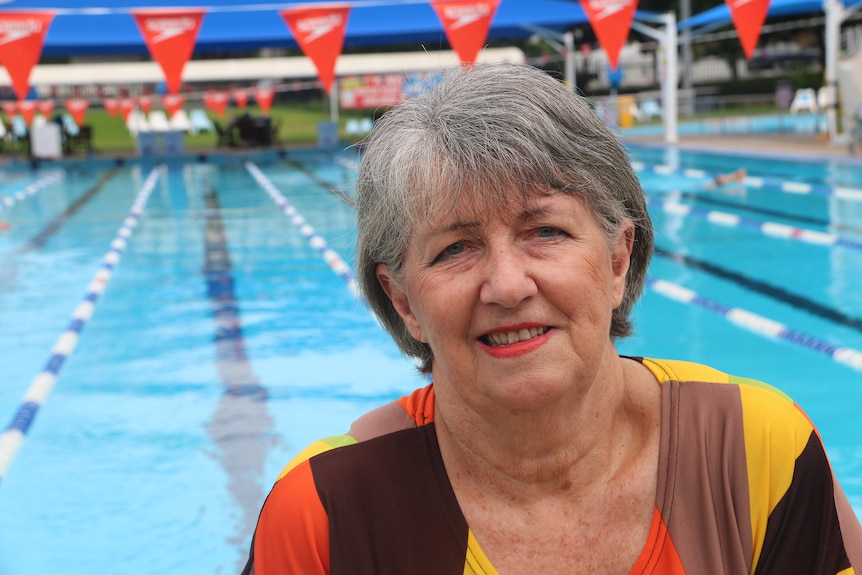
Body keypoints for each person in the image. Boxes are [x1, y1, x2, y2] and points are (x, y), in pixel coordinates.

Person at [242, 63, 862, 574]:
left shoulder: (756, 453)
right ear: (404, 302)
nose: (508, 286)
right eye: (454, 248)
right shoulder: (326, 514)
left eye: (545, 230)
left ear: (618, 258)